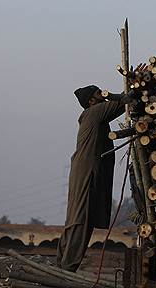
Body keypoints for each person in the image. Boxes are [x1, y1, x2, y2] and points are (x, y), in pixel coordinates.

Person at [56, 84, 133, 271]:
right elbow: (125, 101)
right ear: (91, 101)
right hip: (86, 172)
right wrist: (135, 84)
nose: (104, 95)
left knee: (79, 219)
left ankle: (61, 266)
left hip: (85, 171)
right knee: (80, 219)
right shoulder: (95, 112)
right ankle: (66, 269)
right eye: (99, 93)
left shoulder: (95, 115)